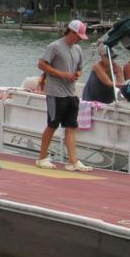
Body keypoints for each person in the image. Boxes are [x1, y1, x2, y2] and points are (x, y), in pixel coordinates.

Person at [34, 19, 91, 171]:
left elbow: (79, 68)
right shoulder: (55, 46)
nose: (79, 39)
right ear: (70, 32)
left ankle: (73, 161)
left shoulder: (78, 49)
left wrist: (77, 74)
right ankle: (41, 157)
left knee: (71, 126)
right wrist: (62, 74)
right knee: (52, 125)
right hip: (55, 93)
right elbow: (41, 64)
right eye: (78, 36)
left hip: (71, 93)